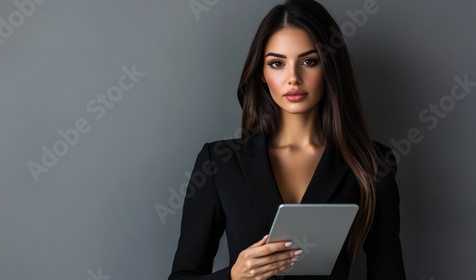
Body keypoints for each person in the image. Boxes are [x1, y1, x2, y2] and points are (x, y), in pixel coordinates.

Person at [168, 0, 406, 279]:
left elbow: (389, 273)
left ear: (330, 68)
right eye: (277, 63)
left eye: (309, 61)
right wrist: (234, 276)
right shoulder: (219, 164)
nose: (293, 78)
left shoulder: (371, 164)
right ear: (262, 75)